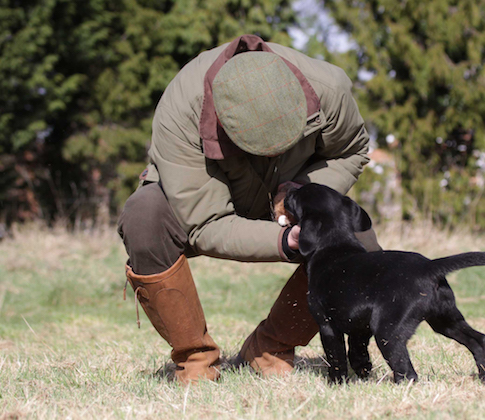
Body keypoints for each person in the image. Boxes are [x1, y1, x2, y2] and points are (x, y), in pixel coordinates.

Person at [117, 34, 380, 384]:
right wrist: (288, 239)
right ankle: (194, 358)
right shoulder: (182, 109)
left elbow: (350, 151)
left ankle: (270, 349)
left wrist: (299, 188)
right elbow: (206, 223)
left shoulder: (328, 88)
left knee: (360, 242)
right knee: (143, 216)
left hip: (290, 199)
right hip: (203, 203)